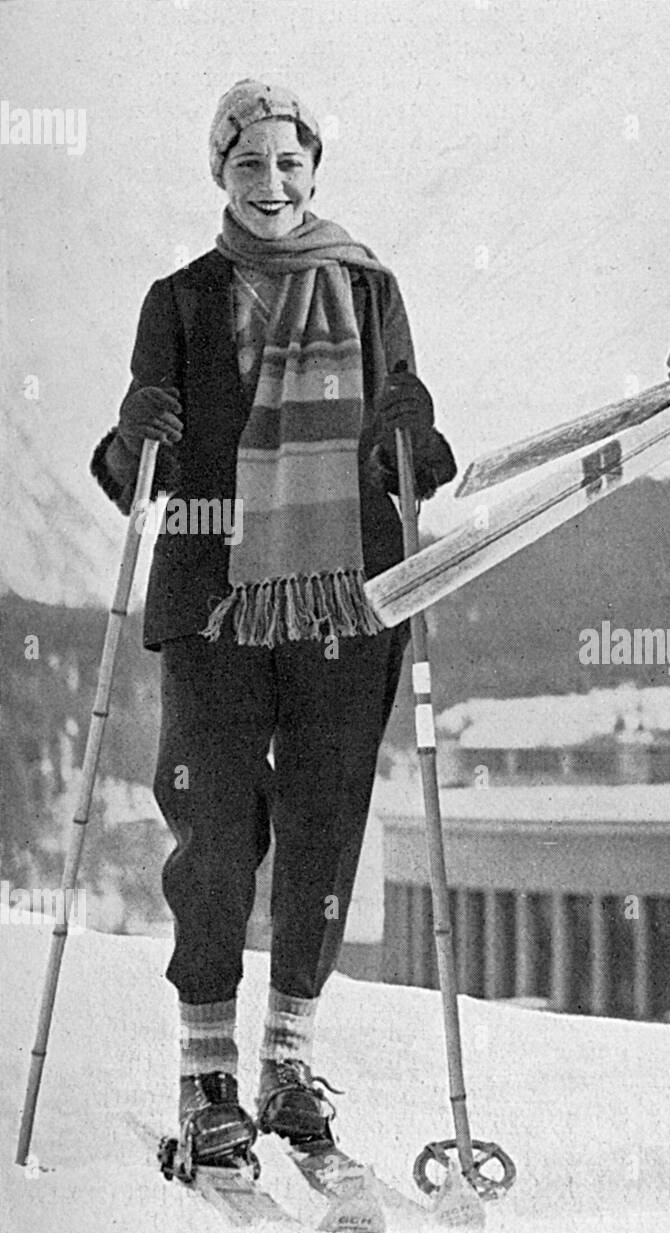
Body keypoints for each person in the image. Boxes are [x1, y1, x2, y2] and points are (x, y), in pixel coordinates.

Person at [89, 79, 456, 1169]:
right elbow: (133, 473)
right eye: (249, 165)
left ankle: (288, 1064)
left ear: (315, 171)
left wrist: (413, 421)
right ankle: (207, 1075)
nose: (273, 185)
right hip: (216, 597)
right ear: (221, 174)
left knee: (326, 825)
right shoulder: (181, 298)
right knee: (214, 835)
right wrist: (133, 430)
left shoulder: (368, 285)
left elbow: (412, 448)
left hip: (348, 593)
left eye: (290, 164)